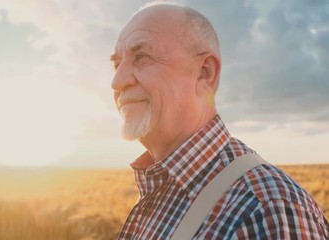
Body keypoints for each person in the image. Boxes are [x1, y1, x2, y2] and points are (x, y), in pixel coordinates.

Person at [110, 3, 329, 239]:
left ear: (205, 73)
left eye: (141, 56)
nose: (117, 81)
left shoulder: (267, 211)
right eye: (116, 64)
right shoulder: (158, 188)